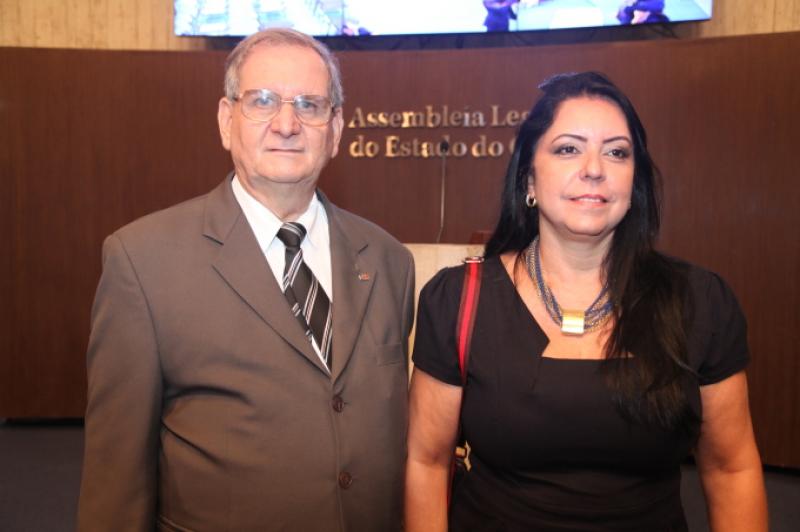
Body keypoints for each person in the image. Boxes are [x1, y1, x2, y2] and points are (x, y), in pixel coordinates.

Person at [77, 28, 415, 531]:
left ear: (336, 129)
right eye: (262, 101)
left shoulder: (389, 260)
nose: (287, 124)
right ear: (225, 120)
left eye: (309, 105)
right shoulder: (142, 261)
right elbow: (116, 476)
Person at [405, 72, 767, 531]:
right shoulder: (458, 300)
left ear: (634, 182)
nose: (594, 168)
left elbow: (731, 469)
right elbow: (428, 462)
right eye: (568, 149)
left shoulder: (699, 302)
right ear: (528, 178)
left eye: (616, 152)